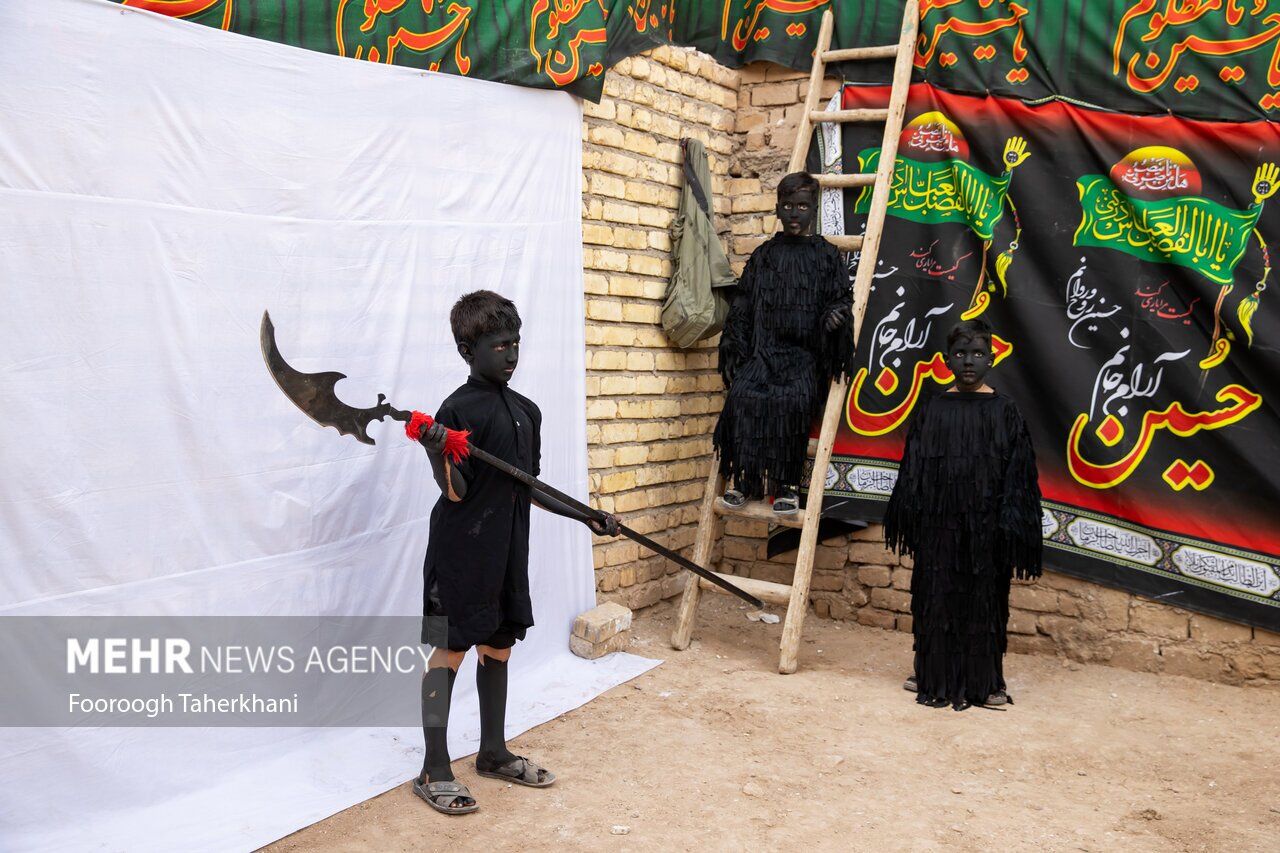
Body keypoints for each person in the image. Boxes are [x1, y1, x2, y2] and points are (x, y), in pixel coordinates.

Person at [412, 290, 619, 814]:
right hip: (458, 555)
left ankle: (493, 753)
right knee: (450, 648)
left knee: (499, 645)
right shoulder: (456, 410)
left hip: (506, 551)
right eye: (498, 344)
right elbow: (455, 492)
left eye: (515, 342)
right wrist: (438, 450)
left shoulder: (528, 411)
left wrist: (587, 516)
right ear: (468, 349)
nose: (510, 353)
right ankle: (433, 768)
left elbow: (527, 485)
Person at [883, 317, 1042, 711]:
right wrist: (916, 517)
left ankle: (985, 683)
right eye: (960, 354)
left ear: (991, 358)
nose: (968, 361)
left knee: (984, 600)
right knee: (935, 598)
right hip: (939, 526)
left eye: (977, 354)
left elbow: (1020, 476)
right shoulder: (933, 408)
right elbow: (913, 469)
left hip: (987, 528)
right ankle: (930, 672)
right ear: (946, 360)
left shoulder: (1005, 412)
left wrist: (1008, 525)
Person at [714, 171, 854, 514]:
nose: (794, 212)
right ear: (777, 208)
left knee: (792, 401)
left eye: (802, 206)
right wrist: (735, 340)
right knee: (743, 396)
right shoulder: (764, 255)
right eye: (788, 205)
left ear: (813, 209)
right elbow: (744, 302)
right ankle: (746, 481)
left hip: (804, 356)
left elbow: (841, 299)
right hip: (764, 353)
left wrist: (835, 317)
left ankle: (787, 486)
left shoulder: (826, 256)